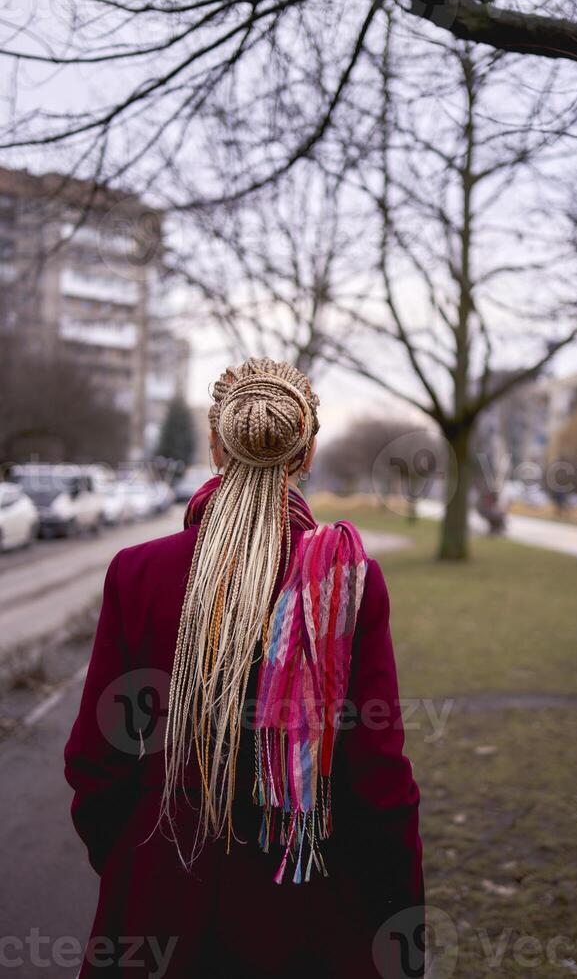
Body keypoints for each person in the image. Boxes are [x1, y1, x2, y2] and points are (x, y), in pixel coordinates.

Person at [64, 358, 424, 979]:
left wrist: (133, 866)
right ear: (306, 453)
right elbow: (376, 775)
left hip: (159, 907)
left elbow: (96, 763)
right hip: (307, 908)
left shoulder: (137, 571)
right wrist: (397, 908)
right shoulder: (345, 581)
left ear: (213, 444)